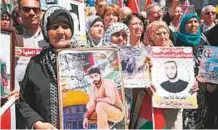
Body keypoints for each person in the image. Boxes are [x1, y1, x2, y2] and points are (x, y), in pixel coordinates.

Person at [17, 6, 80, 129]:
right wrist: (37, 123)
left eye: (65, 27)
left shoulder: (86, 61)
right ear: (46, 31)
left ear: (72, 31)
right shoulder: (36, 64)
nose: (61, 32)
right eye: (54, 27)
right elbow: (23, 101)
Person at [173, 13, 210, 129]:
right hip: (180, 89)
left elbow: (209, 63)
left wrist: (204, 78)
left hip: (199, 90)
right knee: (180, 121)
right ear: (183, 25)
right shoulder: (176, 41)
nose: (193, 24)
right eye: (189, 22)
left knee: (197, 122)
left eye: (195, 21)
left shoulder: (203, 40)